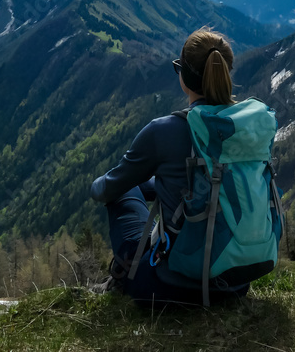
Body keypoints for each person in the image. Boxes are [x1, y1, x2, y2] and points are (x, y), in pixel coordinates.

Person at [89, 28, 268, 306]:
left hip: (168, 286)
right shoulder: (248, 127)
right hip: (235, 282)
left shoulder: (164, 131)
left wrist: (98, 184)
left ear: (184, 76)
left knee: (122, 193)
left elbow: (106, 190)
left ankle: (123, 278)